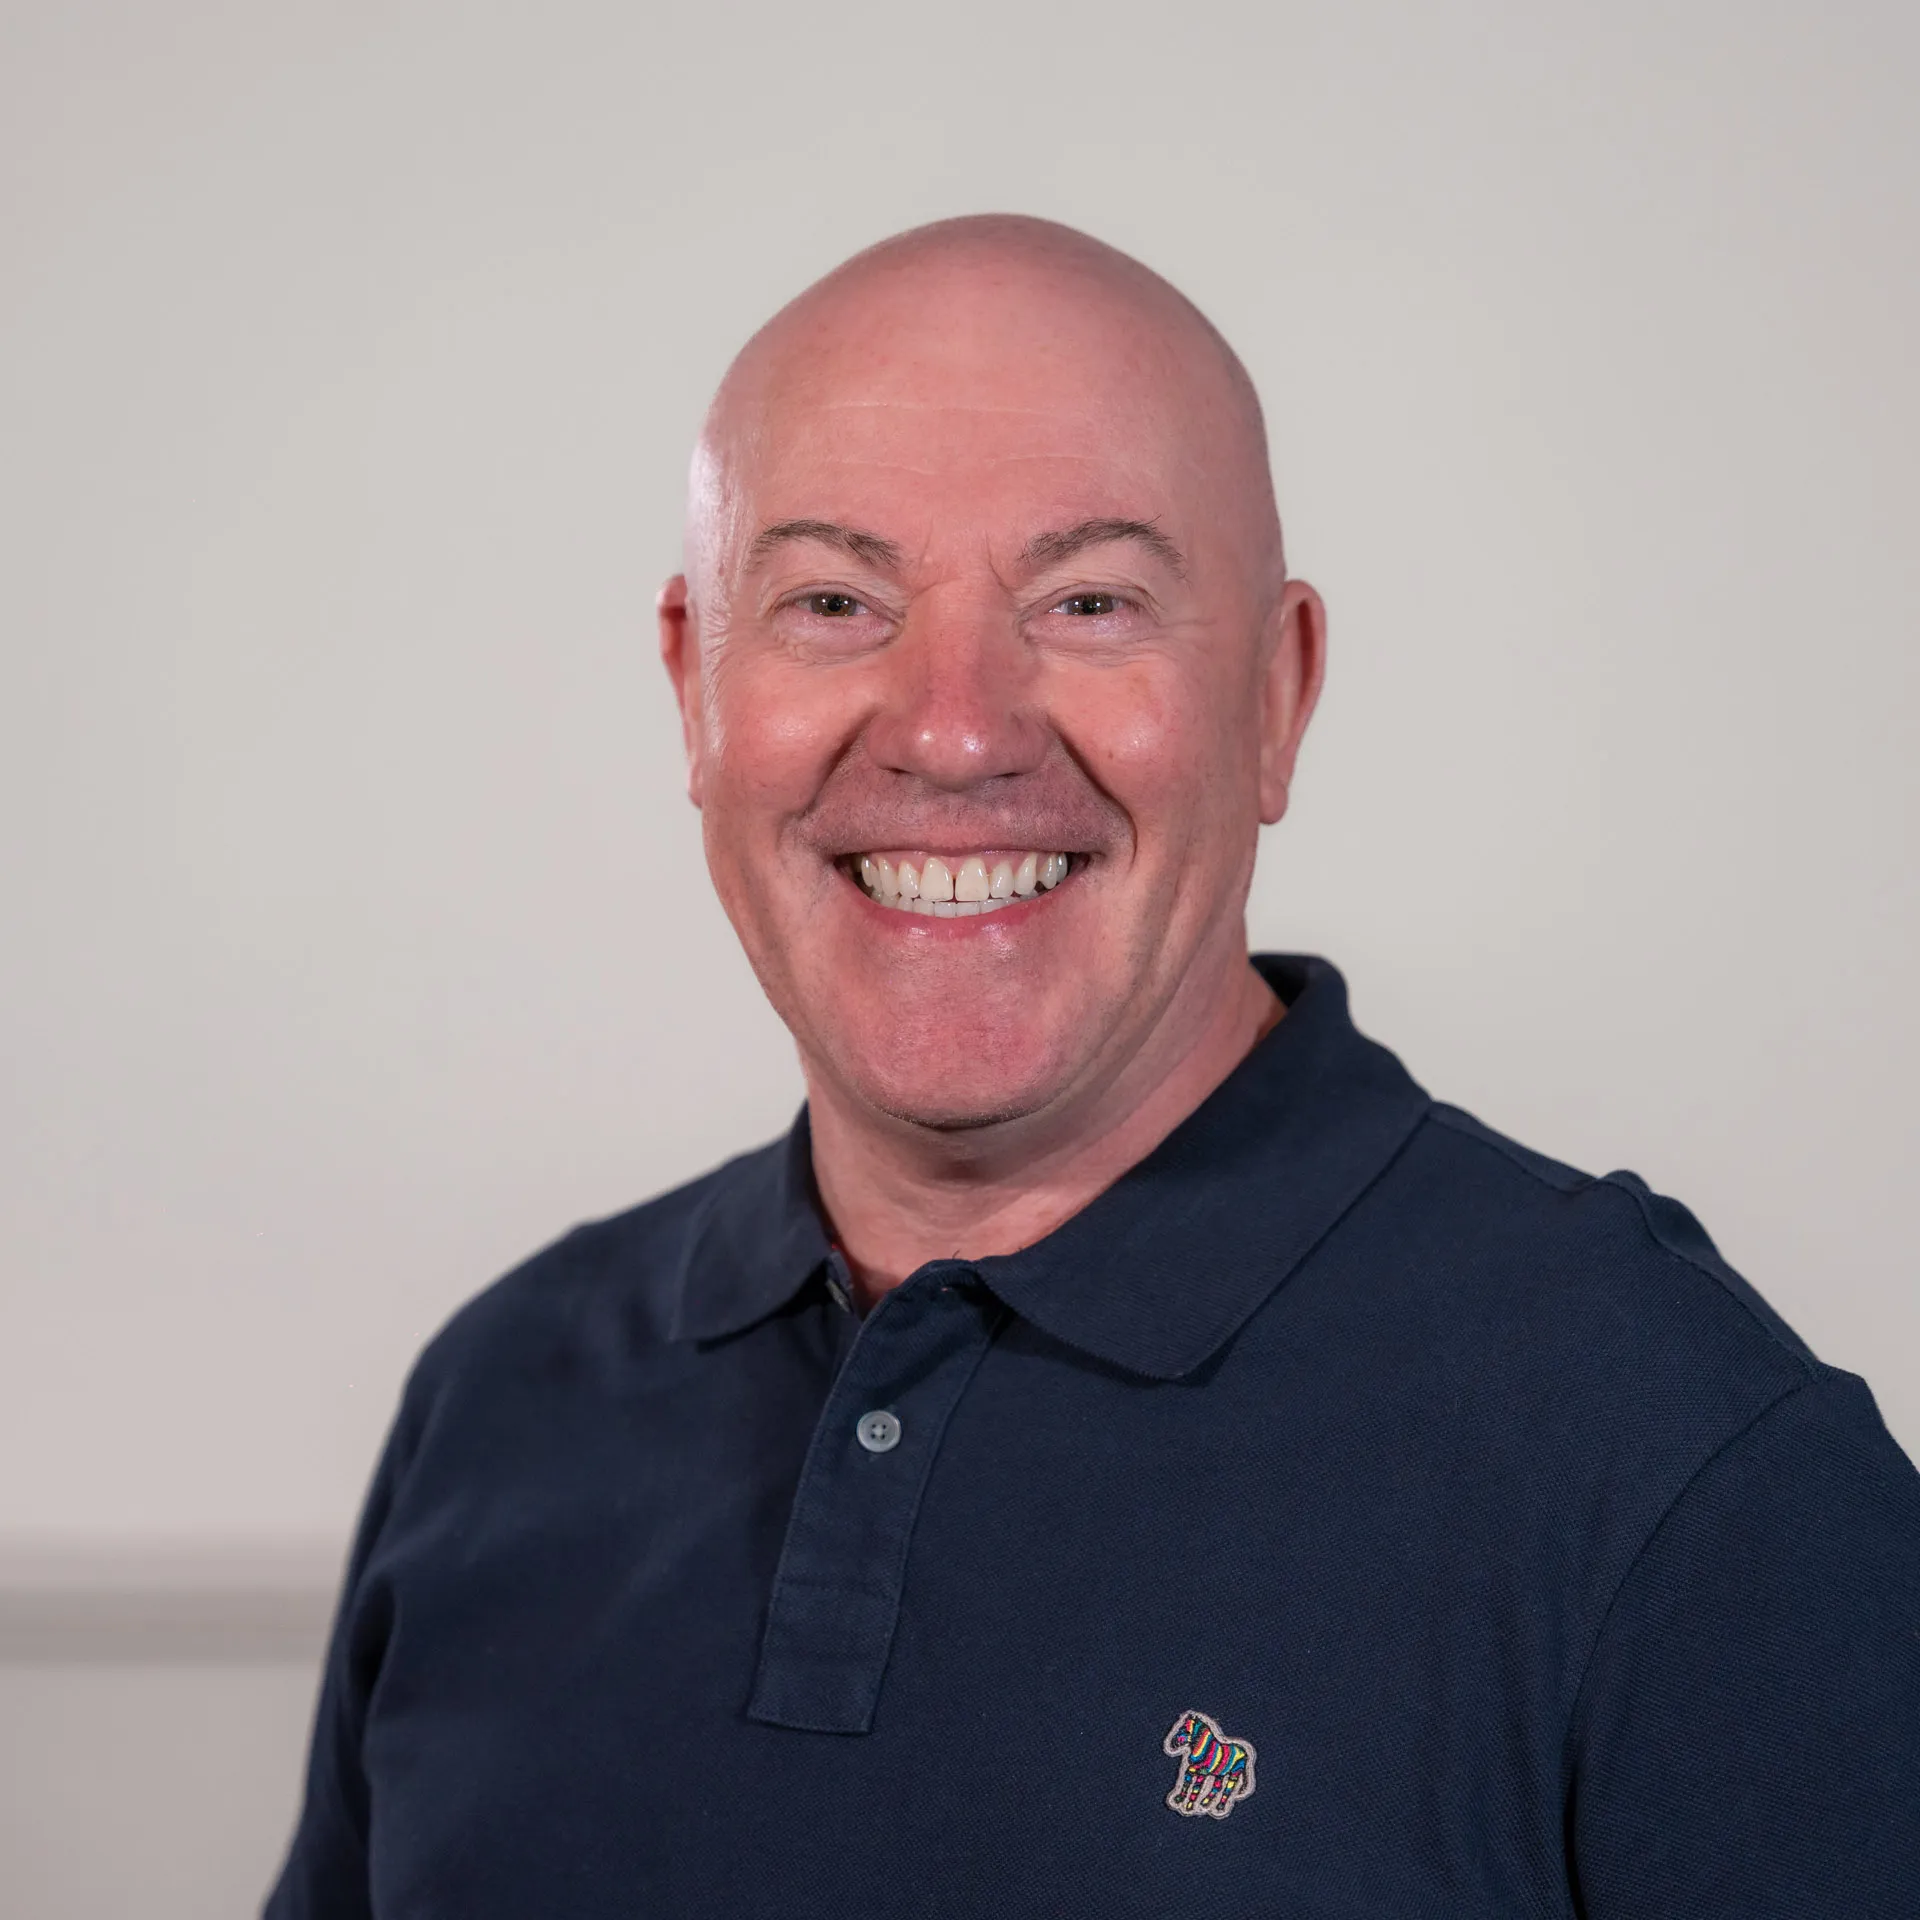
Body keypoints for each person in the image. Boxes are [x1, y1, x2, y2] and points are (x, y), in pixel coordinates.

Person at [266, 216, 1920, 1917]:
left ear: (1276, 696)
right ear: (696, 685)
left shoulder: (1685, 1475)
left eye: (1089, 600)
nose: (957, 726)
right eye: (837, 600)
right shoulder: (498, 1406)